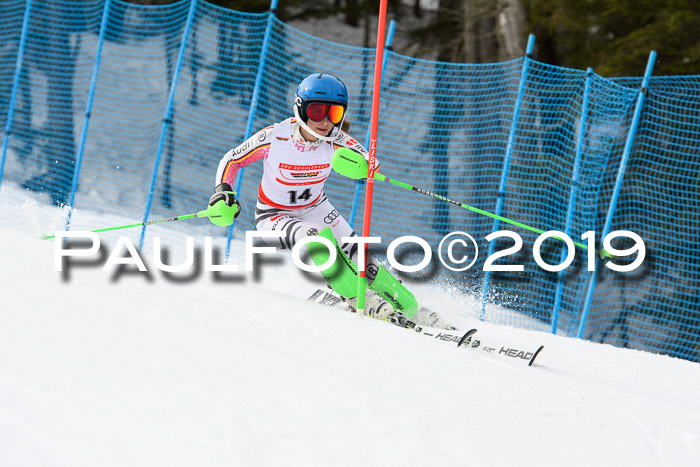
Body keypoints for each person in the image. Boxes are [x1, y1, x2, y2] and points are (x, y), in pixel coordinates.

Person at [206, 72, 452, 330]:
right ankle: (360, 299)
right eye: (317, 111)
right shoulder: (275, 137)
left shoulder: (336, 141)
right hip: (274, 216)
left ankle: (410, 307)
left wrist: (366, 166)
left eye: (333, 114)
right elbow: (232, 159)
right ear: (301, 108)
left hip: (316, 208)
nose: (324, 121)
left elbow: (370, 161)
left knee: (363, 259)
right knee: (317, 238)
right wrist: (223, 191)